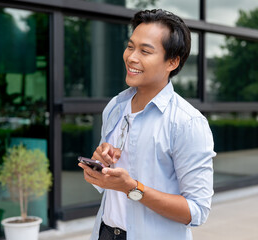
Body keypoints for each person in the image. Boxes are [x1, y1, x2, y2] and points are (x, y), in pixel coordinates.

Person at [78, 9, 216, 240]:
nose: (132, 57)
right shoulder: (115, 106)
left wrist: (132, 188)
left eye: (145, 51)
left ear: (172, 62)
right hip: (105, 232)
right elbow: (105, 185)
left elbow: (197, 211)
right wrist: (101, 165)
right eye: (130, 46)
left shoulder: (187, 123)